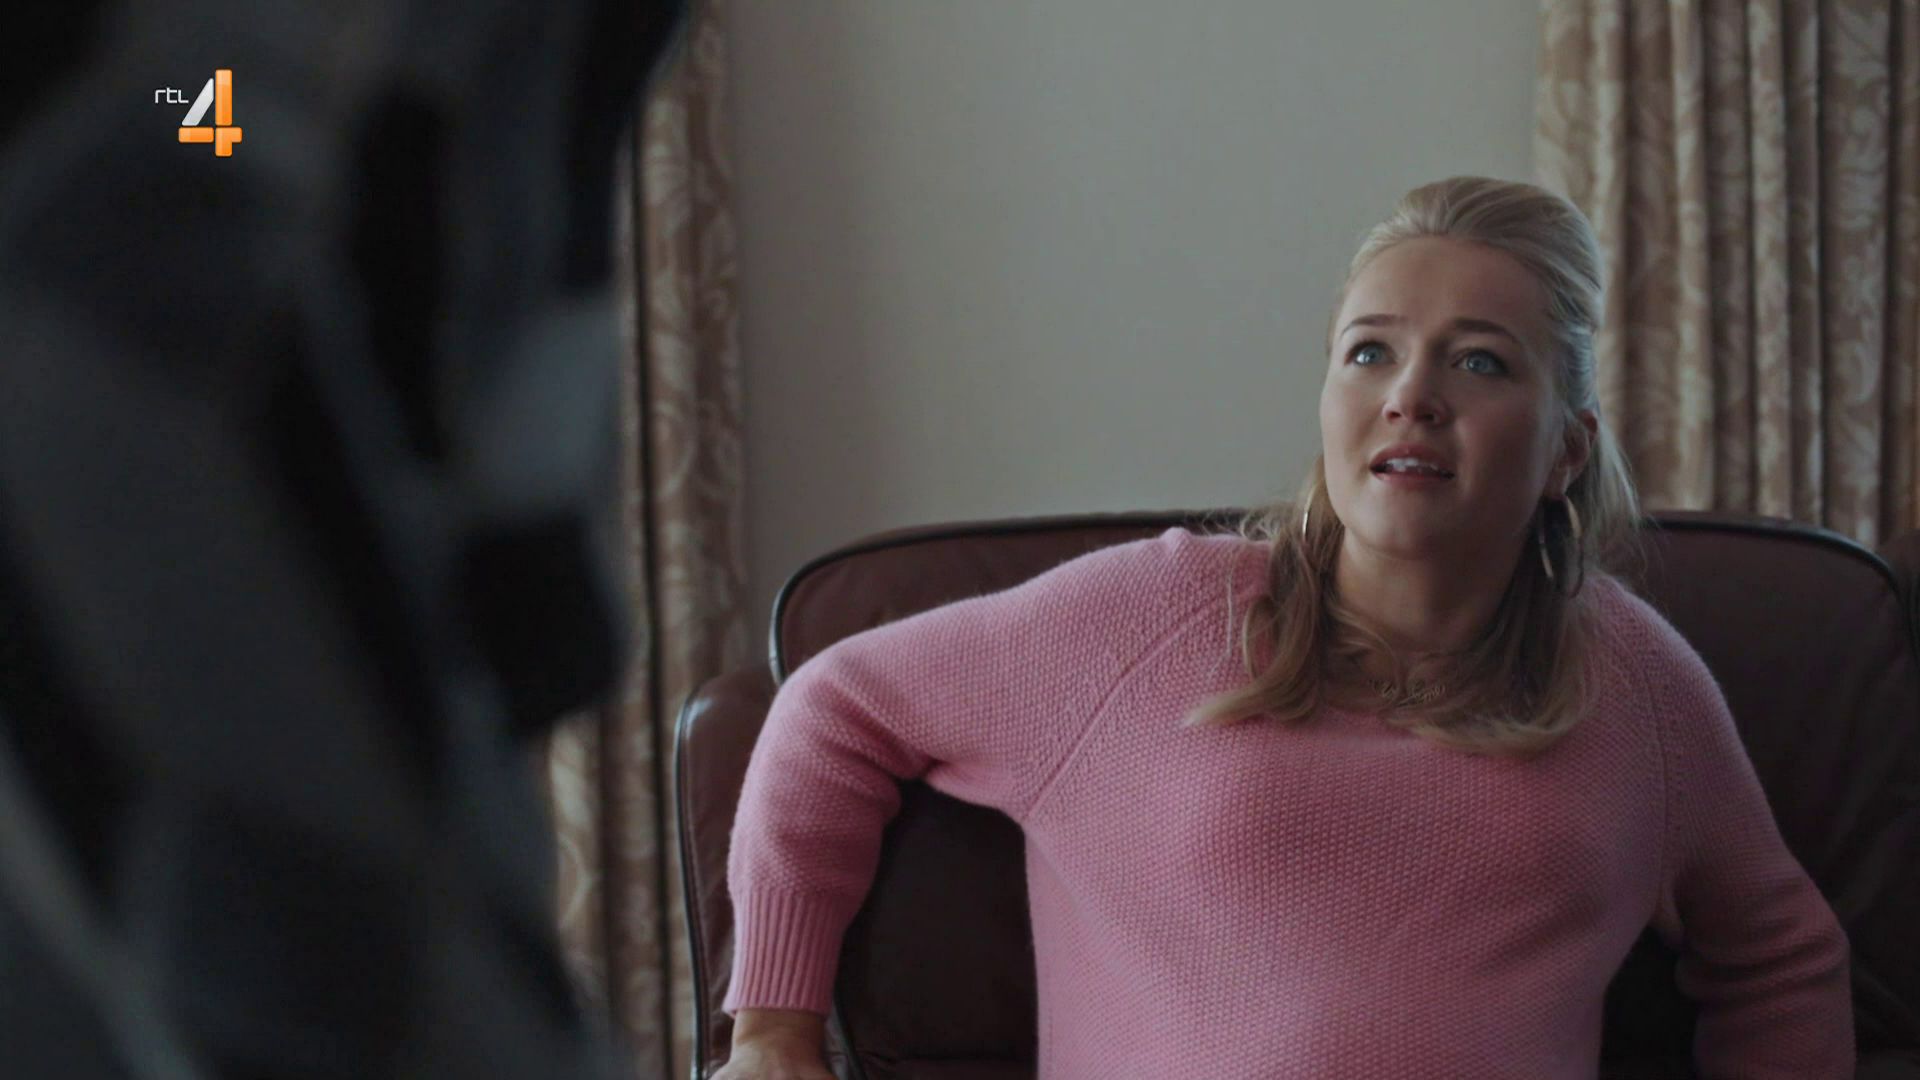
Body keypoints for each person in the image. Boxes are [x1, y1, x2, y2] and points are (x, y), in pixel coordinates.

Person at [713, 177, 1854, 1078]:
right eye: (1370, 351)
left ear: (1566, 448)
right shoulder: (1150, 619)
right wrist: (772, 1031)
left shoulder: (1633, 679)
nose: (1411, 394)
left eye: (1479, 361)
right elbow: (836, 708)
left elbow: (1780, 955)